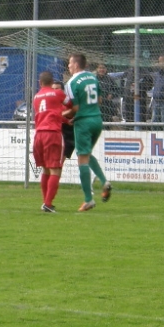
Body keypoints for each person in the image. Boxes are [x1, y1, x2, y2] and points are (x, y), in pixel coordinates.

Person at [63, 53, 112, 212]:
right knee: (87, 154)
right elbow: (100, 100)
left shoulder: (71, 83)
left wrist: (63, 114)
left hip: (83, 122)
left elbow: (75, 108)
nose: (68, 66)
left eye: (70, 63)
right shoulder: (93, 78)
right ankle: (104, 181)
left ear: (76, 65)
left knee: (82, 159)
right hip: (97, 120)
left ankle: (88, 200)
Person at [32, 71, 65, 212]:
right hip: (52, 133)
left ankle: (45, 202)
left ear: (40, 83)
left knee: (45, 168)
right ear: (52, 83)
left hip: (39, 134)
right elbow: (71, 104)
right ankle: (48, 203)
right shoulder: (57, 94)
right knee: (55, 169)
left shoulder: (36, 97)